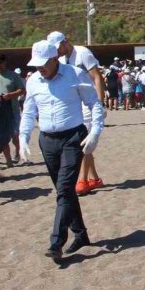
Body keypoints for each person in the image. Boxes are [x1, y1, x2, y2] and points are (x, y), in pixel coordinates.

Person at [19, 40, 105, 263]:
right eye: (36, 64)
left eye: (43, 63)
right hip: (47, 140)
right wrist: (23, 135)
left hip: (72, 137)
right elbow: (28, 111)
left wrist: (95, 132)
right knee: (63, 191)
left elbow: (95, 104)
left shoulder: (75, 74)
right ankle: (81, 234)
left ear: (55, 59)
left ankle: (56, 242)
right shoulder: (33, 81)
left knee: (65, 188)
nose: (40, 68)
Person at [48, 31, 105, 194]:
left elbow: (97, 77)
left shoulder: (83, 53)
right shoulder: (61, 59)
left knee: (84, 142)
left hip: (89, 103)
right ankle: (94, 178)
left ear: (66, 41)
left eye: (59, 48)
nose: (57, 52)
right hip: (75, 104)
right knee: (83, 140)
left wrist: (99, 105)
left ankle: (83, 180)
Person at [0, 54, 26, 167]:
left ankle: (17, 153)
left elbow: (22, 90)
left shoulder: (13, 76)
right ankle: (9, 161)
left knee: (15, 134)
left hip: (13, 110)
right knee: (3, 136)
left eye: (0, 62)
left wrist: (11, 95)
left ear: (5, 62)